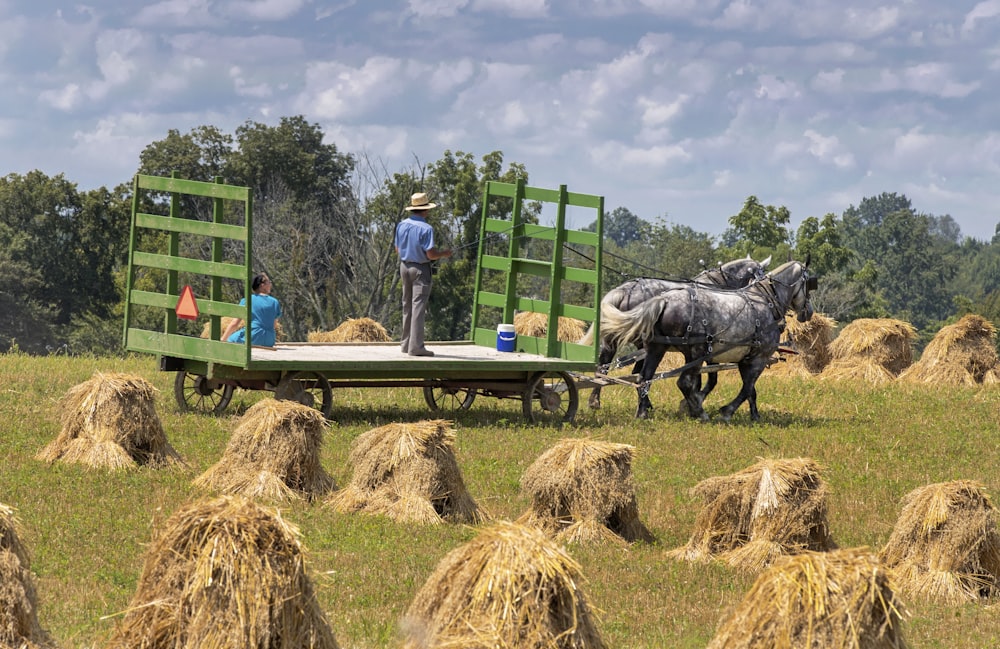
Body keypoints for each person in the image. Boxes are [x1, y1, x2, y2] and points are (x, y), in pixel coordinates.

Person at [394, 192, 452, 357]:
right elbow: (431, 255)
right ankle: (416, 347)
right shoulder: (426, 228)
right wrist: (444, 253)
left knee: (407, 305)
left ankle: (405, 344)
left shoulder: (402, 224)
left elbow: (397, 249)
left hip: (404, 266)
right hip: (420, 269)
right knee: (418, 307)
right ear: (425, 210)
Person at [221, 273, 282, 347]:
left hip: (253, 337)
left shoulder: (247, 300)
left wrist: (223, 339)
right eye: (269, 282)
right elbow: (274, 325)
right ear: (262, 285)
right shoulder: (274, 302)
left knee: (231, 339)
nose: (270, 284)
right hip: (270, 340)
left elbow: (235, 323)